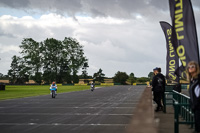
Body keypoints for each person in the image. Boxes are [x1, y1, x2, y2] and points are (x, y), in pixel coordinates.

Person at [186, 61, 200, 133]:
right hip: (195, 107)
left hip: (198, 107)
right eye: (189, 67)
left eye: (192, 66)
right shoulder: (192, 80)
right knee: (197, 125)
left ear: (196, 68)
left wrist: (196, 104)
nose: (190, 68)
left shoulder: (198, 79)